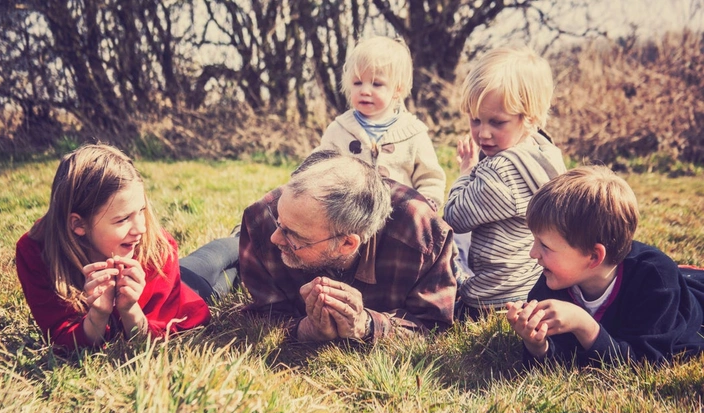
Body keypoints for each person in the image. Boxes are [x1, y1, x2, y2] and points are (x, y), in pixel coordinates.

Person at [234, 150, 458, 342]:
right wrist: (305, 330)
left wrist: (367, 326)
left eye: (293, 235)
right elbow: (262, 316)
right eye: (279, 221)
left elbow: (434, 326)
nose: (275, 238)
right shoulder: (261, 219)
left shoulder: (422, 237)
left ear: (347, 243)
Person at [16, 144, 210, 351]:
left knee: (221, 258)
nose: (141, 228)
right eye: (123, 219)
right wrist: (97, 316)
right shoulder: (35, 252)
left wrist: (130, 311)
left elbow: (160, 335)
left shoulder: (159, 246)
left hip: (183, 286)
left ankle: (237, 237)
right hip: (184, 274)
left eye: (141, 211)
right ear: (78, 224)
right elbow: (60, 337)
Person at [506, 165, 704, 367]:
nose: (532, 253)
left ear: (593, 256)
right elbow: (562, 359)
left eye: (545, 246)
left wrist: (584, 325)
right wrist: (537, 345)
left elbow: (646, 361)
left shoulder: (655, 281)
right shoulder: (552, 282)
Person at [443, 46, 566, 320]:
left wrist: (466, 171)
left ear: (530, 117)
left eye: (497, 122)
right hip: (534, 283)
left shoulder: (502, 172)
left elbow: (454, 217)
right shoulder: (546, 151)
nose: (482, 133)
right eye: (475, 120)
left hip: (493, 296)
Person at [313, 36, 446, 211]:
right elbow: (318, 167)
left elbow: (430, 177)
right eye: (357, 83)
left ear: (397, 90)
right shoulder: (339, 129)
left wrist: (426, 205)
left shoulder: (413, 134)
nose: (365, 91)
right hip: (349, 216)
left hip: (399, 217)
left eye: (376, 84)